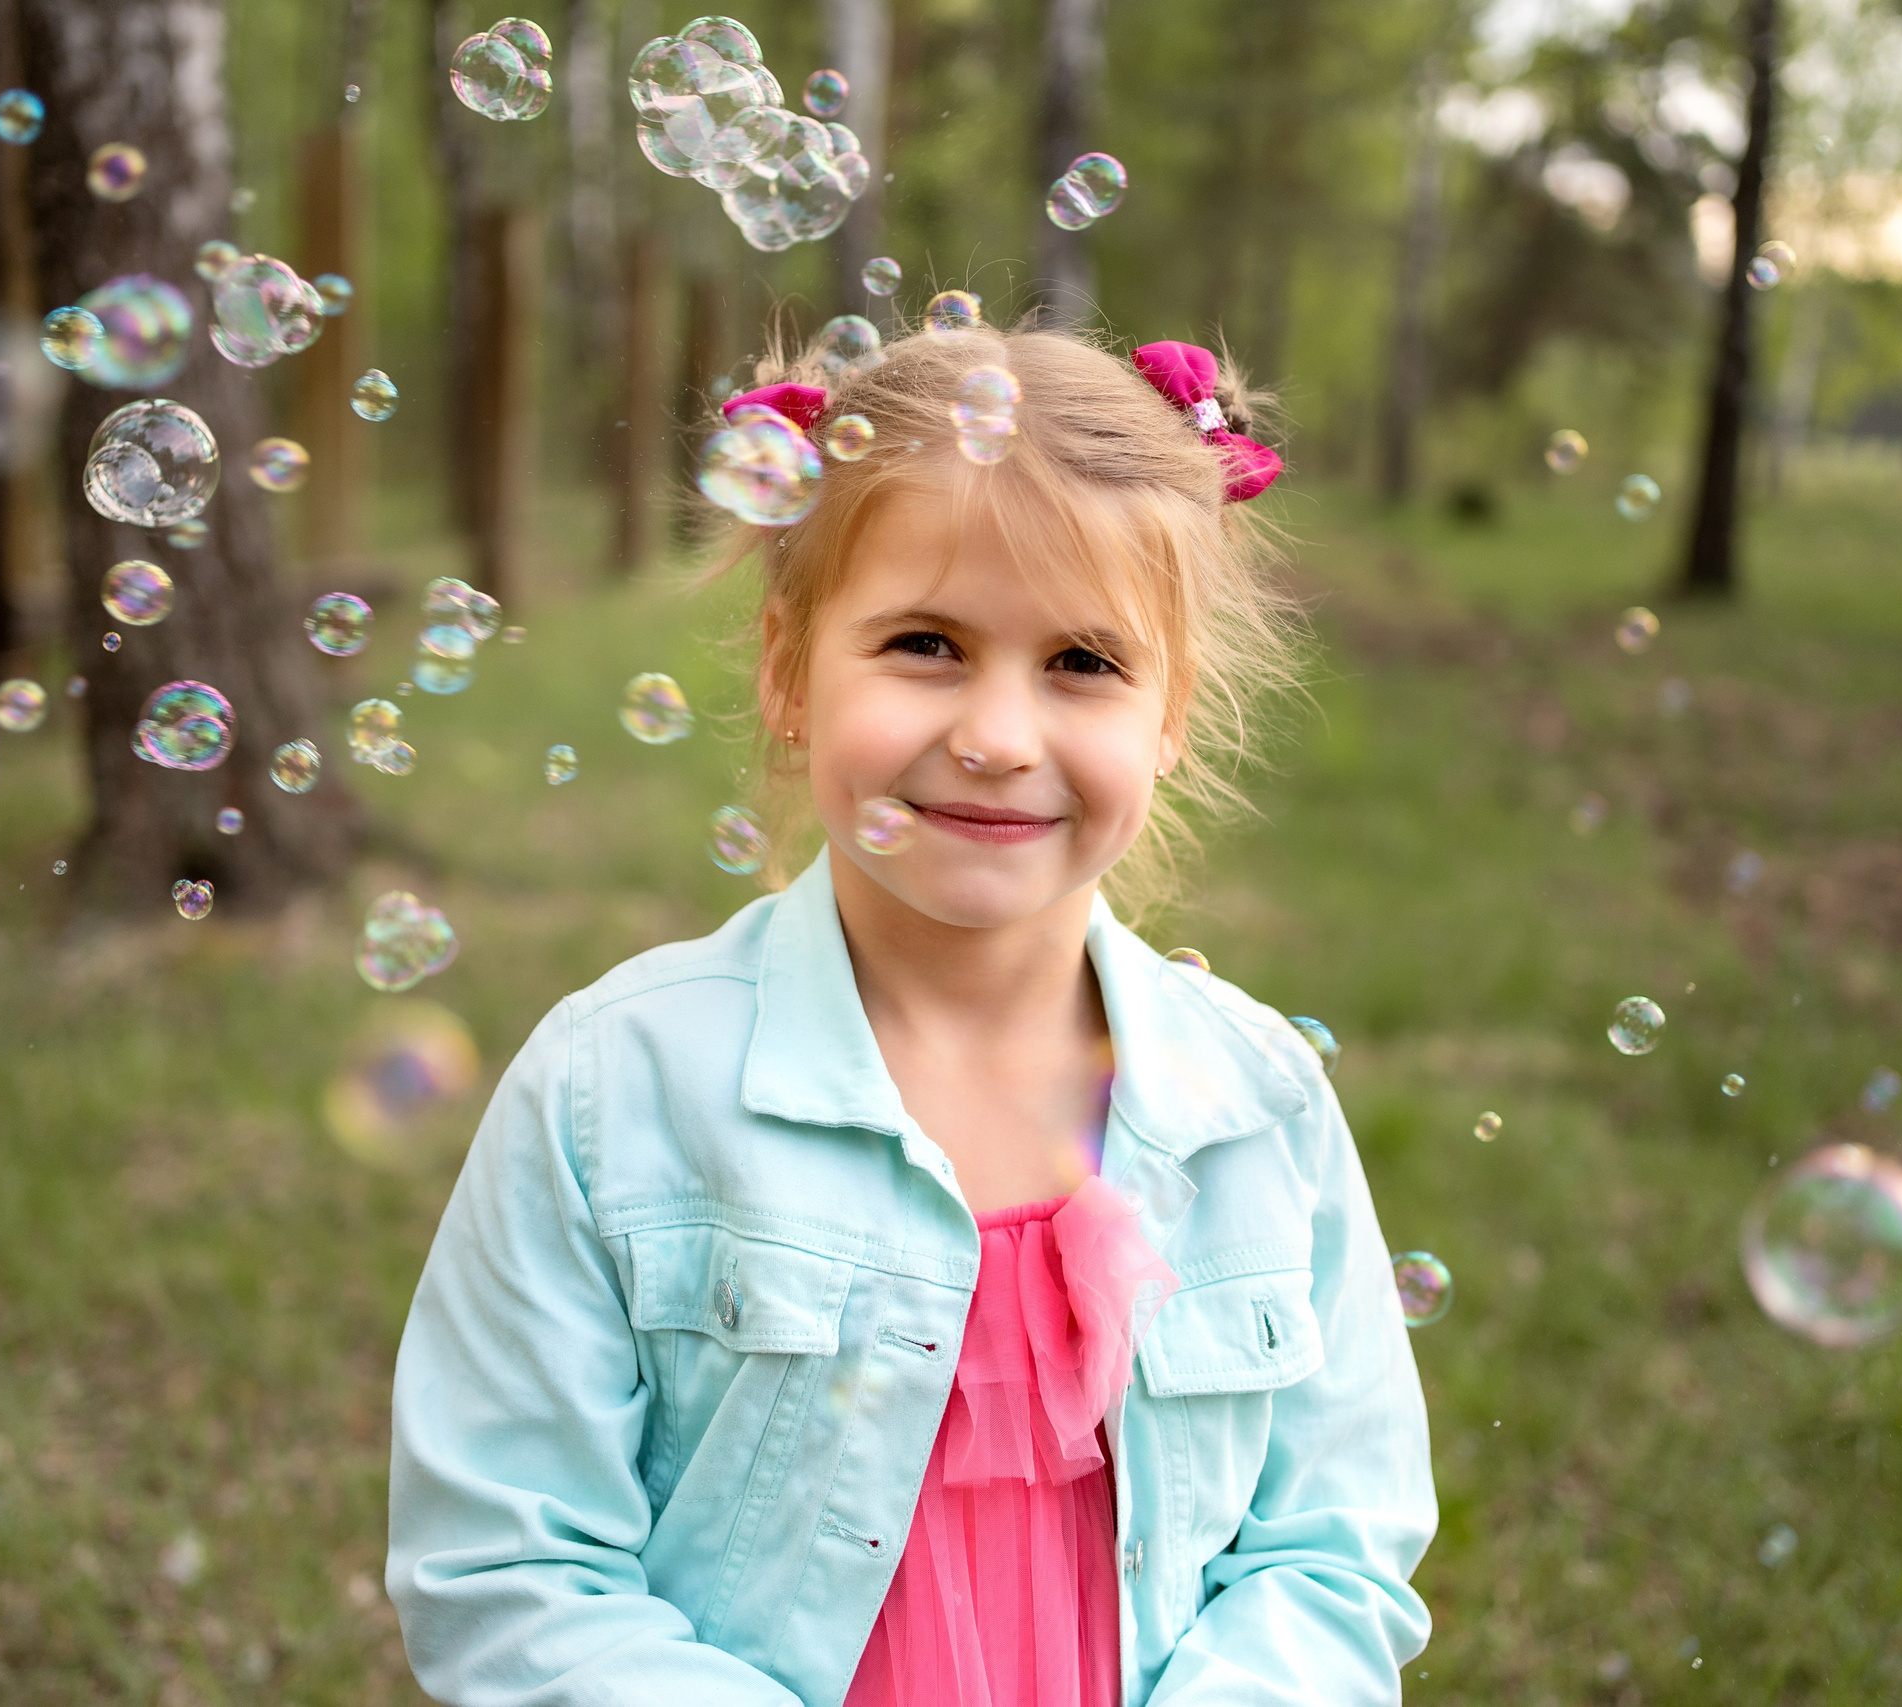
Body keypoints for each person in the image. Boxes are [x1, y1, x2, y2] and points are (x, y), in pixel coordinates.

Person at [386, 320, 1436, 1706]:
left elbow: (1333, 1555)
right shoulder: (616, 1090)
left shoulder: (1258, 1106)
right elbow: (509, 1571)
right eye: (927, 643)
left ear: (1169, 711)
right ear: (788, 670)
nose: (999, 734)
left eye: (1083, 663)